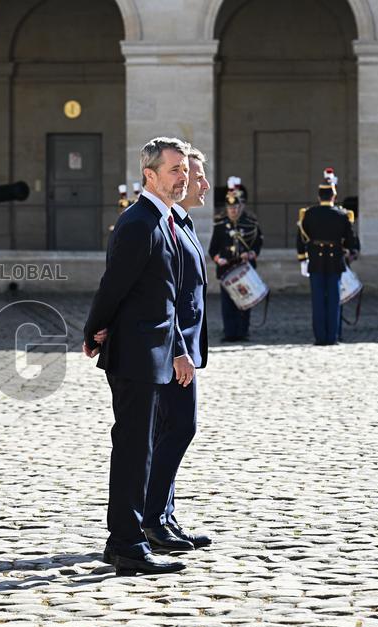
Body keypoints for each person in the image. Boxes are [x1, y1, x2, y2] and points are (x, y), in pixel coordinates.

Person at [83, 136, 193, 576]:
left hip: (155, 351)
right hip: (136, 354)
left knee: (141, 448)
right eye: (174, 170)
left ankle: (126, 540)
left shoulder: (162, 219)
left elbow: (158, 295)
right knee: (133, 450)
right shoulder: (139, 222)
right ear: (149, 174)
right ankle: (126, 542)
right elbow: (114, 285)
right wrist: (94, 330)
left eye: (185, 169)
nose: (182, 177)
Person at [140, 149, 211, 552]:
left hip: (180, 346)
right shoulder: (165, 226)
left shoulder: (181, 224)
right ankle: (152, 520)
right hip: (170, 348)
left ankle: (163, 516)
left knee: (170, 430)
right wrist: (181, 347)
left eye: (194, 174)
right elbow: (166, 297)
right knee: (178, 428)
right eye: (189, 174)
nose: (198, 184)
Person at [296, 170, 360, 346]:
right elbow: (350, 239)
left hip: (315, 259)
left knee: (318, 301)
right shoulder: (343, 215)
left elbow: (301, 237)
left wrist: (302, 259)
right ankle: (331, 337)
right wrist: (350, 252)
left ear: (319, 195)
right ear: (334, 195)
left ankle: (320, 337)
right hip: (334, 260)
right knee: (333, 299)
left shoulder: (308, 214)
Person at [208, 186, 263, 342]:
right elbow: (213, 249)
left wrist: (252, 253)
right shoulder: (220, 226)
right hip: (227, 270)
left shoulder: (250, 224)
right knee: (228, 304)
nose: (233, 210)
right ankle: (230, 333)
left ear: (241, 206)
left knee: (245, 301)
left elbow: (258, 243)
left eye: (236, 207)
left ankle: (243, 331)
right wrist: (219, 259)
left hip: (244, 269)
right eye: (230, 208)